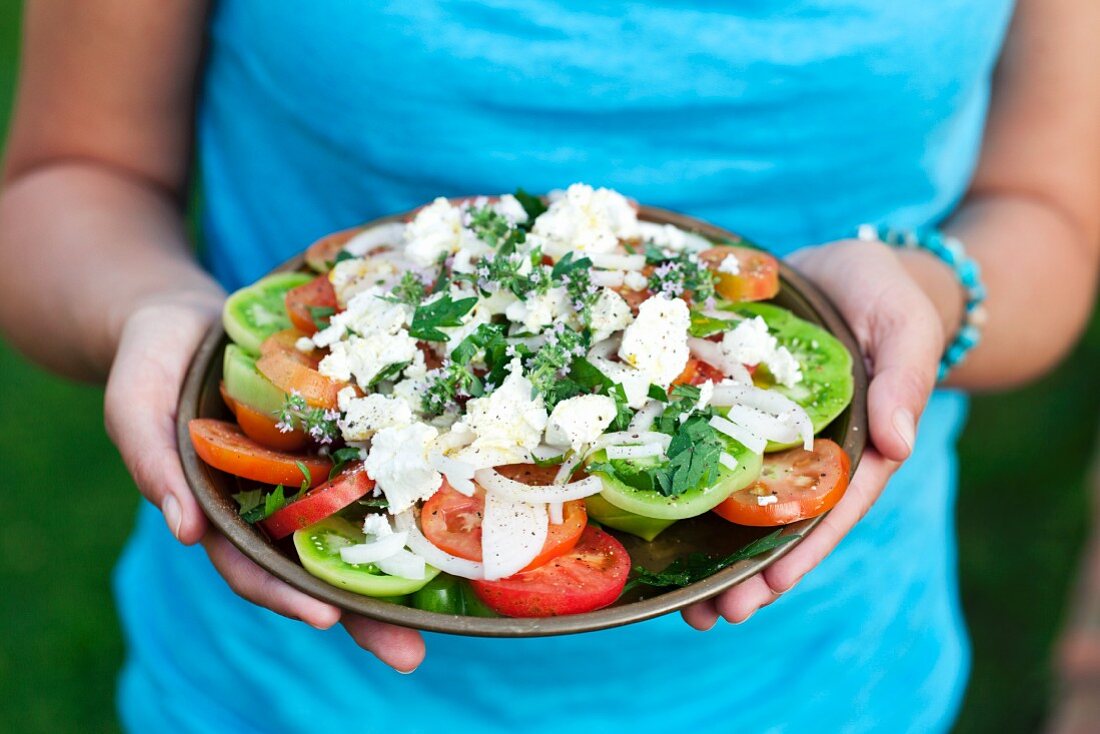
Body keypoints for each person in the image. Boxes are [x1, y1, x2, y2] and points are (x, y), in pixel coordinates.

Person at [1, 1, 1097, 731]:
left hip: (815, 669)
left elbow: (1053, 220)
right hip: (290, 681)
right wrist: (152, 309)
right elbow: (68, 174)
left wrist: (925, 292)